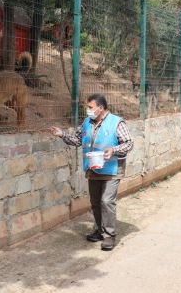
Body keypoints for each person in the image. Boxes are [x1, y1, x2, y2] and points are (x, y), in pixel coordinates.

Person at [50, 93, 133, 251]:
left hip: (112, 169)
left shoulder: (116, 122)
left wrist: (113, 150)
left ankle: (109, 235)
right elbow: (78, 140)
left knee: (106, 201)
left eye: (90, 107)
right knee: (95, 202)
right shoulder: (87, 122)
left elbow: (129, 143)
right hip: (93, 167)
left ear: (100, 108)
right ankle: (99, 231)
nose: (87, 110)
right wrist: (62, 134)